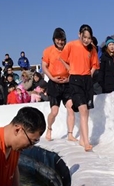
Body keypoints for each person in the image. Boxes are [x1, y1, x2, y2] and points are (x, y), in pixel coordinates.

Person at [59, 24, 99, 152]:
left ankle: (82, 138)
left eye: (89, 37)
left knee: (86, 111)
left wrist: (91, 72)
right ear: (79, 34)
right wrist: (69, 68)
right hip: (75, 80)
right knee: (82, 109)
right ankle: (86, 142)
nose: (86, 40)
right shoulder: (71, 45)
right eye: (84, 37)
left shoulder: (92, 49)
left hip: (87, 80)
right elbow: (62, 58)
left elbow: (95, 64)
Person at [42, 27, 76, 141]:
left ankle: (70, 134)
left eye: (62, 40)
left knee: (70, 108)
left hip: (67, 83)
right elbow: (44, 66)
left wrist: (69, 79)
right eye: (58, 39)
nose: (60, 42)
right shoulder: (48, 50)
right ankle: (49, 128)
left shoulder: (69, 50)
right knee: (54, 111)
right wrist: (51, 78)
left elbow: (74, 67)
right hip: (54, 83)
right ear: (54, 39)